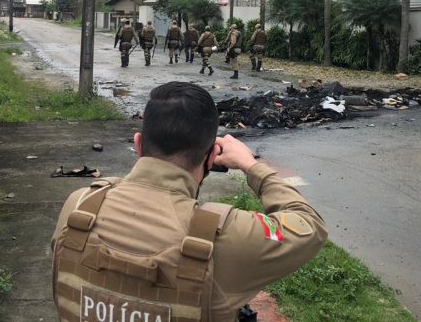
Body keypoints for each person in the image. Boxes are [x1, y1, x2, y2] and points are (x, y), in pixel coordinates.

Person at [51, 81, 326, 322]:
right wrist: (252, 166)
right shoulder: (225, 236)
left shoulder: (79, 207)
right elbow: (309, 226)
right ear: (210, 158)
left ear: (138, 145)